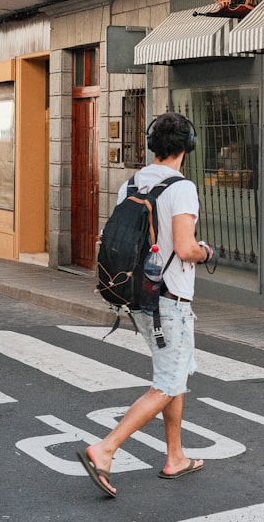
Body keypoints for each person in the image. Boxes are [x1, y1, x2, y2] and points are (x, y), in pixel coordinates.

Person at [77, 111, 215, 497]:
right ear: (187, 148)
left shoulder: (131, 184)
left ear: (153, 146)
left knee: (174, 376)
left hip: (137, 296)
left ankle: (175, 456)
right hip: (169, 300)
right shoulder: (181, 188)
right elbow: (186, 248)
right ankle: (105, 449)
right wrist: (206, 251)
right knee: (169, 382)